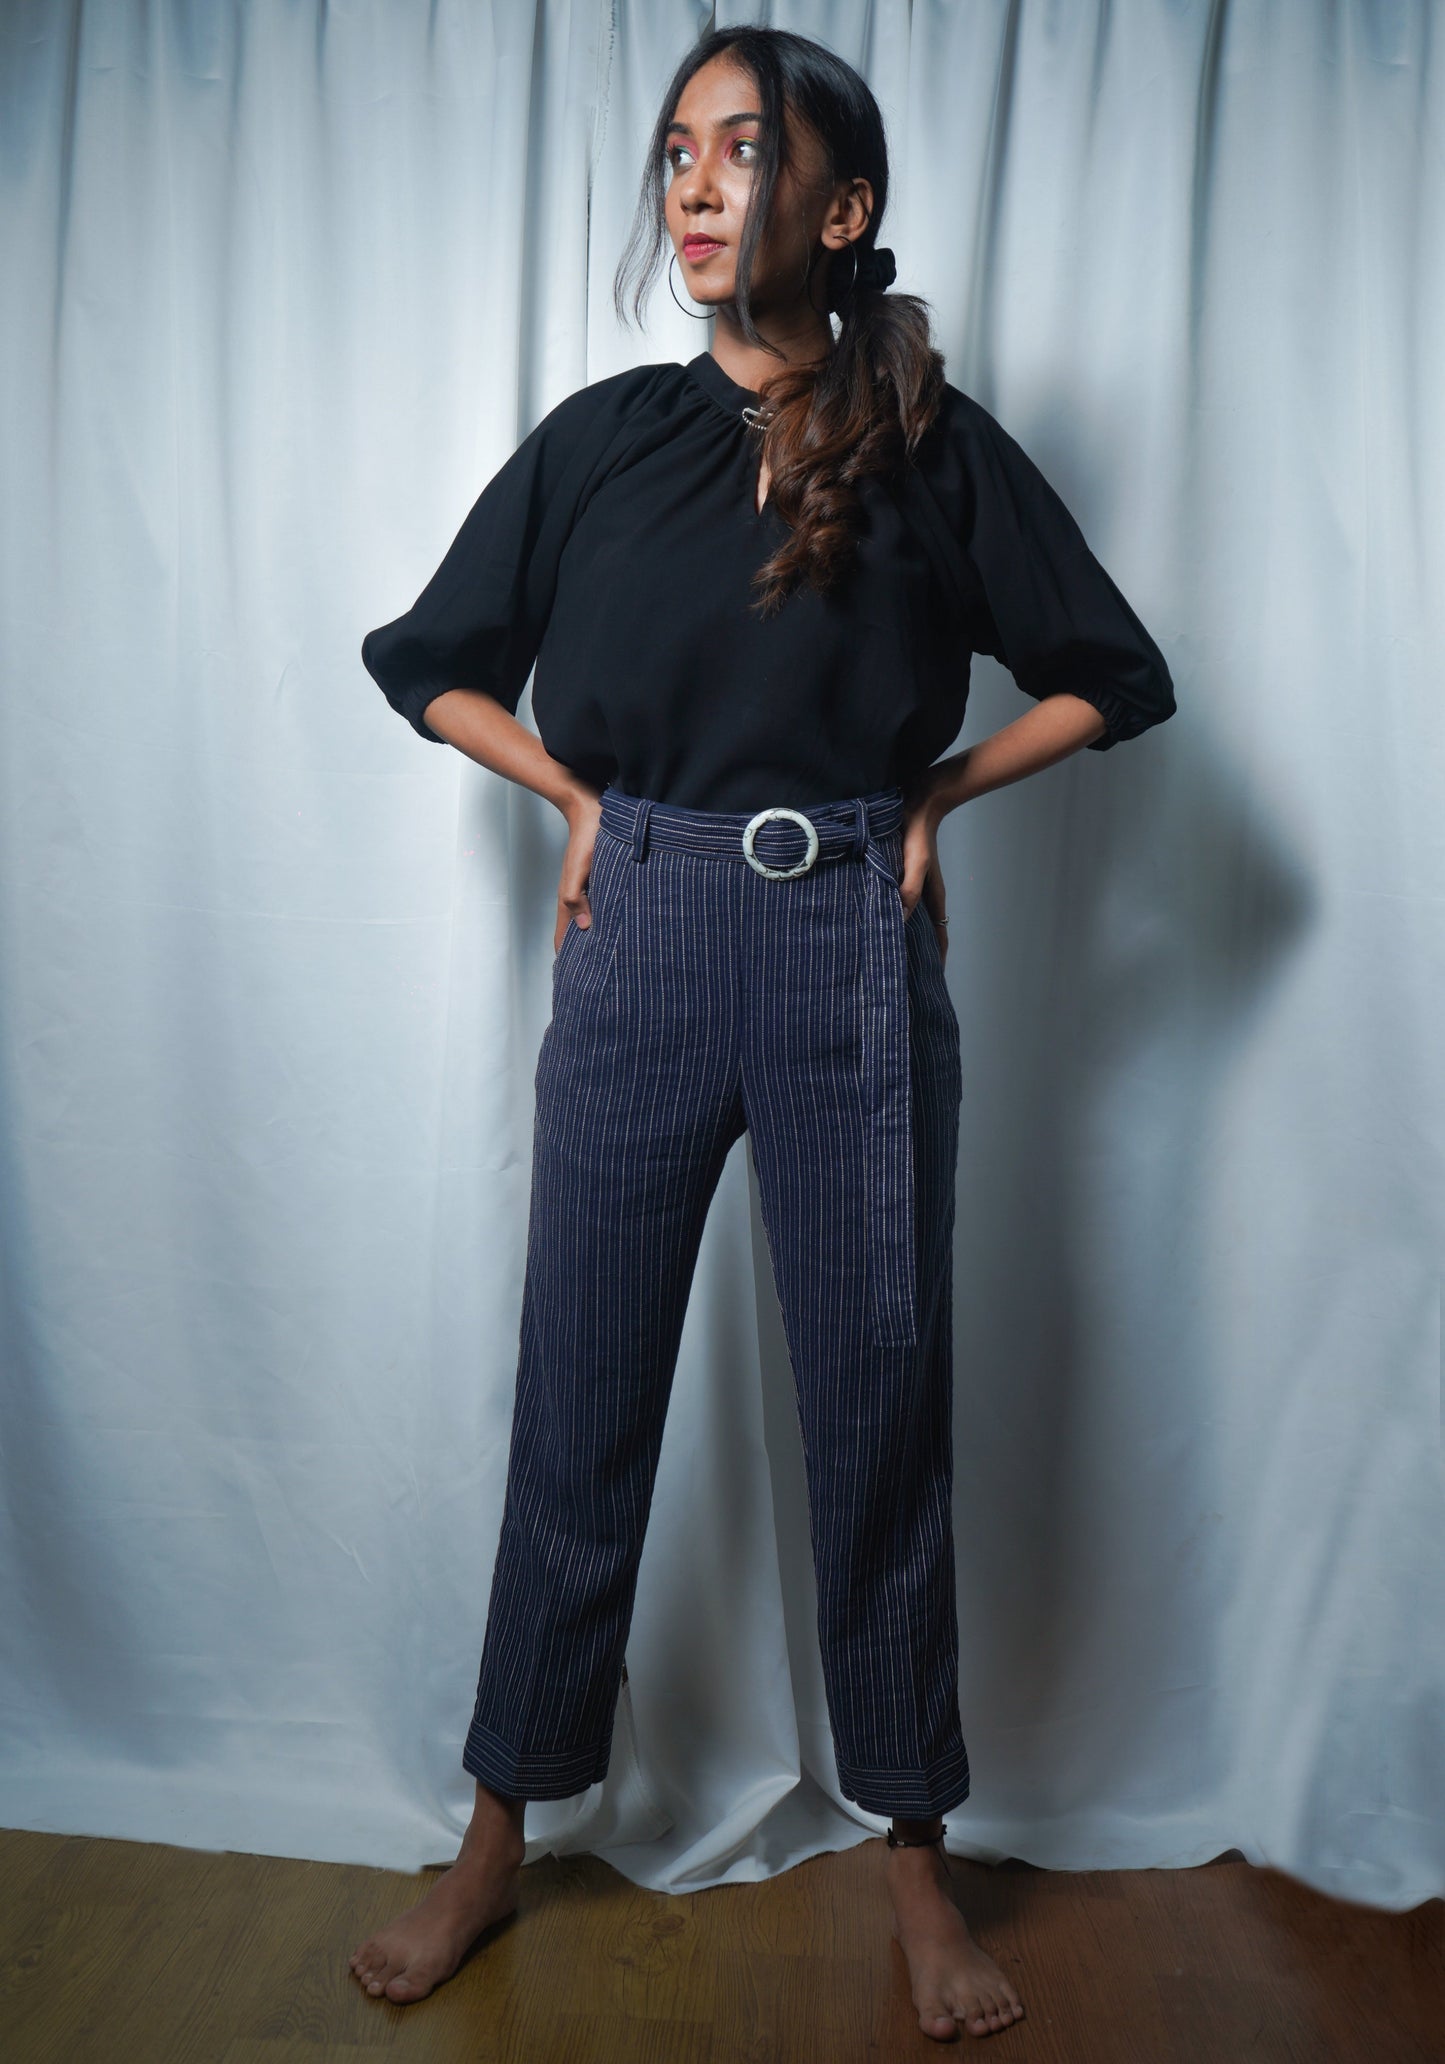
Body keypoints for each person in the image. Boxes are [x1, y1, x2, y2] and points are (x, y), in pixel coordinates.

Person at [348, 23, 1174, 2043]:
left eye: (745, 150)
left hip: (844, 969)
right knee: (581, 1396)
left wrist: (938, 804)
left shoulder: (930, 449)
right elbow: (432, 663)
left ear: (845, 205)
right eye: (675, 157)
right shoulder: (605, 438)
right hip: (636, 937)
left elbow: (1113, 674)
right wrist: (573, 810)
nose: (699, 187)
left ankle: (912, 1856)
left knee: (878, 1409)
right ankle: (493, 1824)